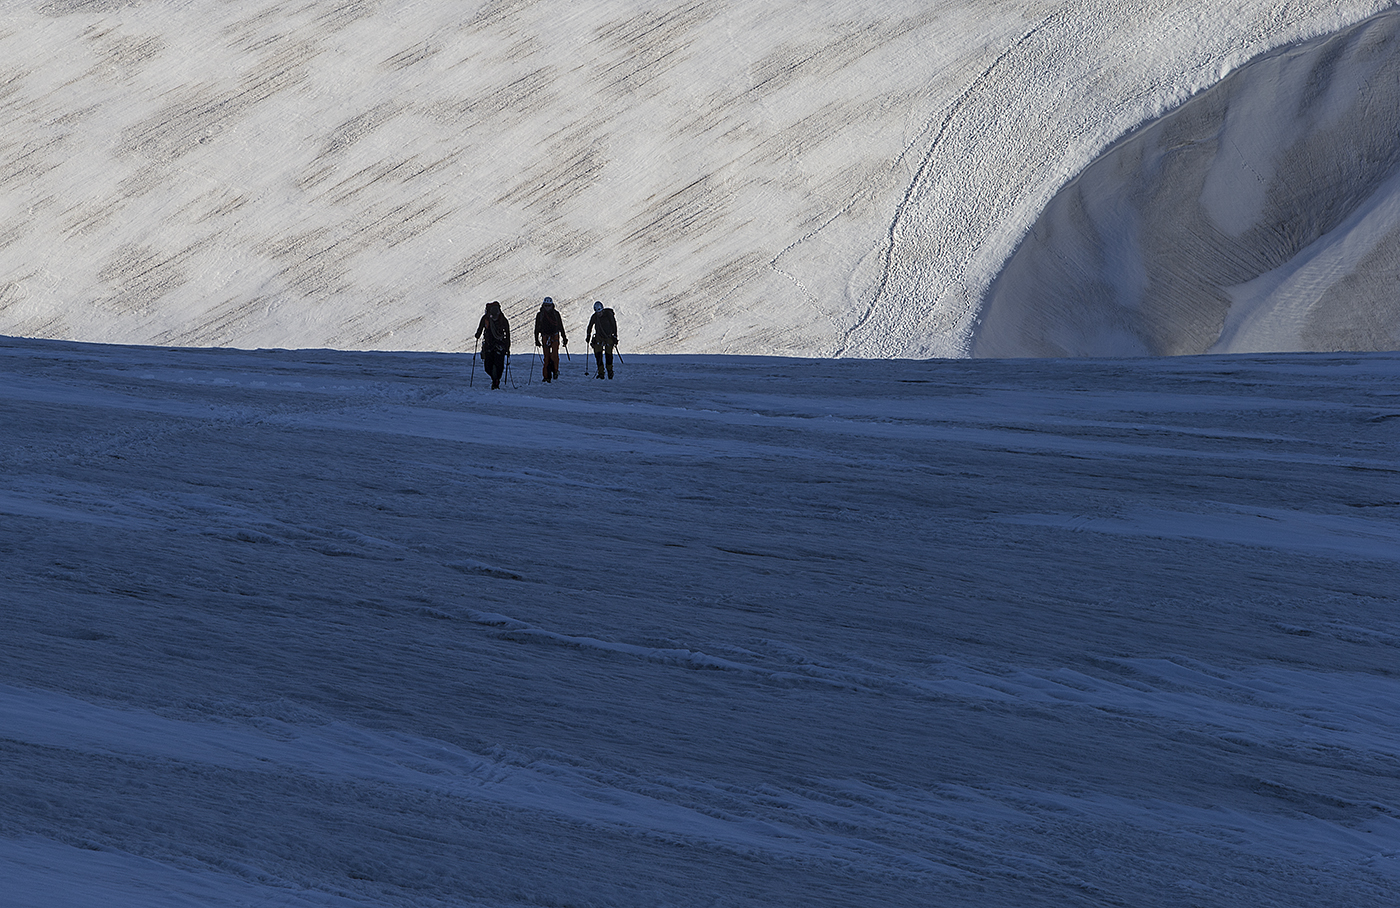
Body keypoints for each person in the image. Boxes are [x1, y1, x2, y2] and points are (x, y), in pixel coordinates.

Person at [474, 301, 510, 389]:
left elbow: (480, 330)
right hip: (500, 345)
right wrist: (507, 347)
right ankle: (496, 380)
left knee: (488, 365)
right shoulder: (503, 319)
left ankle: (494, 380)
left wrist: (477, 335)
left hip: (488, 345)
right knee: (499, 364)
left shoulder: (485, 318)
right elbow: (507, 334)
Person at [533, 297, 567, 383]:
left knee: (554, 356)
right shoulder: (540, 315)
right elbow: (537, 328)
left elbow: (560, 326)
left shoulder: (555, 314)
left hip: (554, 336)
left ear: (552, 305)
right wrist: (536, 339)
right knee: (546, 357)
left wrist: (564, 337)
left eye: (549, 305)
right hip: (546, 336)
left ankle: (555, 371)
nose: (547, 307)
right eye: (546, 305)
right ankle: (547, 376)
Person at [585, 301, 618, 379]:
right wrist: (588, 335)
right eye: (597, 312)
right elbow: (589, 326)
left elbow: (614, 325)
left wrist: (615, 336)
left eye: (599, 312)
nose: (598, 314)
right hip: (599, 337)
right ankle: (601, 373)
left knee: (608, 355)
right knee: (598, 355)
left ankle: (610, 371)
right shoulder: (594, 316)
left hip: (608, 337)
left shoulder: (609, 315)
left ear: (602, 310)